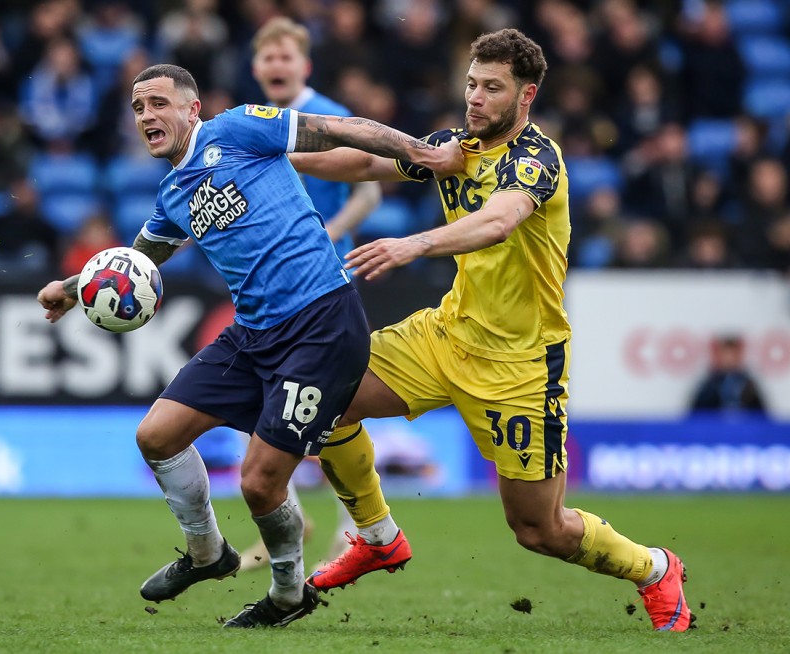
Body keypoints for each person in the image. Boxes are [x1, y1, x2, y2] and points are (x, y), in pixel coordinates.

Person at [290, 28, 693, 632]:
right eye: (471, 84)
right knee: (322, 399)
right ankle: (377, 536)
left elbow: (500, 221)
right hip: (447, 334)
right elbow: (367, 161)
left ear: (525, 96)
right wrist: (264, 156)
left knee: (539, 529)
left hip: (522, 365)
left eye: (492, 88)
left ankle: (655, 568)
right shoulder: (456, 145)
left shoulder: (537, 159)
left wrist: (412, 244)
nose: (475, 98)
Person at [35, 63, 460, 628]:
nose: (147, 116)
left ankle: (288, 593)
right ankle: (208, 553)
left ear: (192, 109)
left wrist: (422, 154)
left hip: (321, 325)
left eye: (158, 103)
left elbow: (333, 130)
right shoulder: (171, 193)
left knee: (260, 482)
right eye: (138, 108)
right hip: (255, 333)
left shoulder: (234, 130)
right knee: (156, 436)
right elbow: (141, 259)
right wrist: (69, 290)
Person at [238, 16, 383, 573]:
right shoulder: (256, 123)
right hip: (273, 281)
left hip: (326, 280)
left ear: (304, 66)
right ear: (257, 67)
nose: (276, 65)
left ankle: (357, 527)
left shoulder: (326, 116)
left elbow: (368, 190)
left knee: (335, 407)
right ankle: (289, 519)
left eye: (285, 57)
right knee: (262, 401)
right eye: (267, 57)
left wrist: (332, 231)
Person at [691, 335, 767, 413]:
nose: (729, 359)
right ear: (719, 356)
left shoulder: (748, 384)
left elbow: (760, 415)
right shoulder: (710, 384)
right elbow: (697, 413)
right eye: (726, 354)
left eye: (732, 354)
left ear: (738, 356)